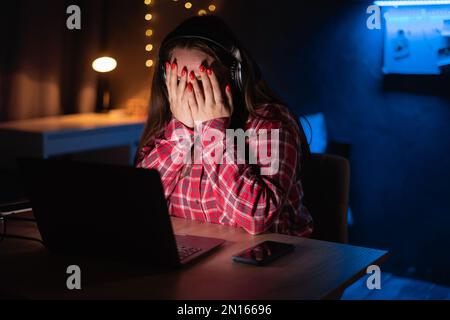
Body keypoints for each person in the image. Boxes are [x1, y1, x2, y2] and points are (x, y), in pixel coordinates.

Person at [136, 15, 313, 236]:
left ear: (234, 77)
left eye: (202, 80)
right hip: (196, 257)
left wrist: (212, 131)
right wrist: (180, 134)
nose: (190, 92)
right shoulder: (168, 125)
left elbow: (256, 217)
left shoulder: (270, 123)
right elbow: (138, 204)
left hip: (270, 263)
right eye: (179, 81)